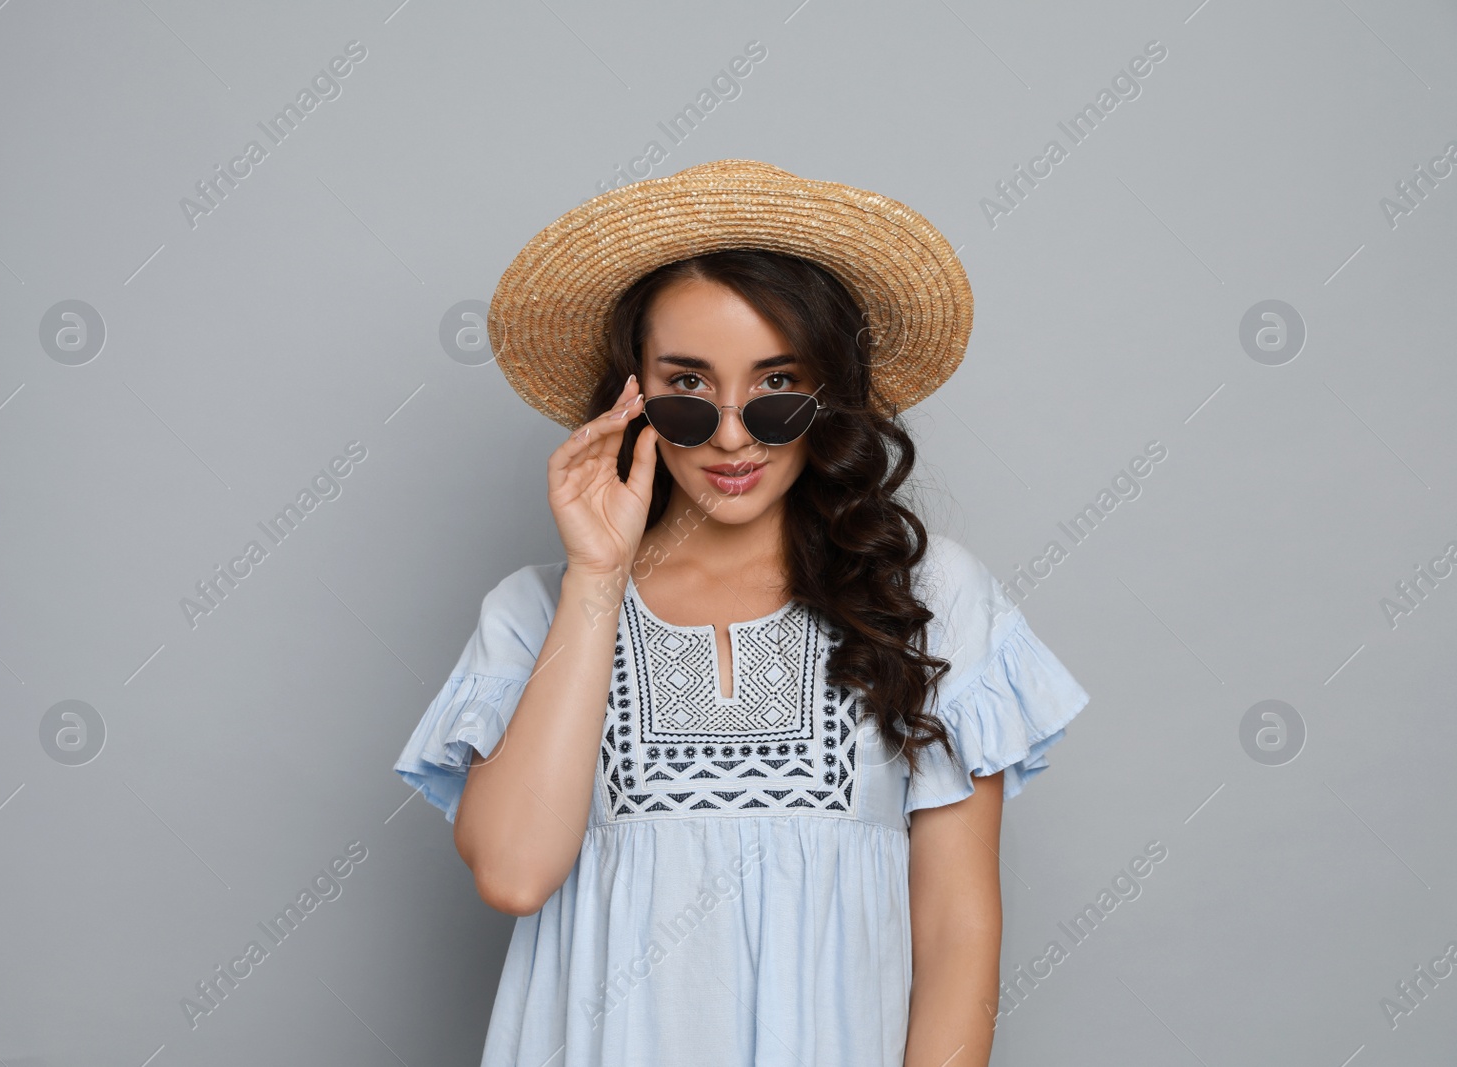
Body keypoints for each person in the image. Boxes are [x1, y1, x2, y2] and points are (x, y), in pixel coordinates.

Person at [394, 159, 1091, 1067]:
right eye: (687, 388)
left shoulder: (924, 598)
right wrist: (597, 579)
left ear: (828, 395)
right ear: (632, 394)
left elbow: (959, 935)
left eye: (776, 387)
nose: (730, 434)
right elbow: (515, 872)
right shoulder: (538, 609)